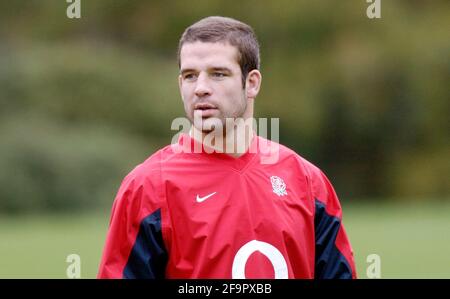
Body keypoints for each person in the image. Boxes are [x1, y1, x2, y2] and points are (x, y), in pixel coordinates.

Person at [98, 16, 356, 279]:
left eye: (218, 74)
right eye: (190, 76)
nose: (200, 89)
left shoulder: (308, 182)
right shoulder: (148, 188)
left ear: (252, 83)